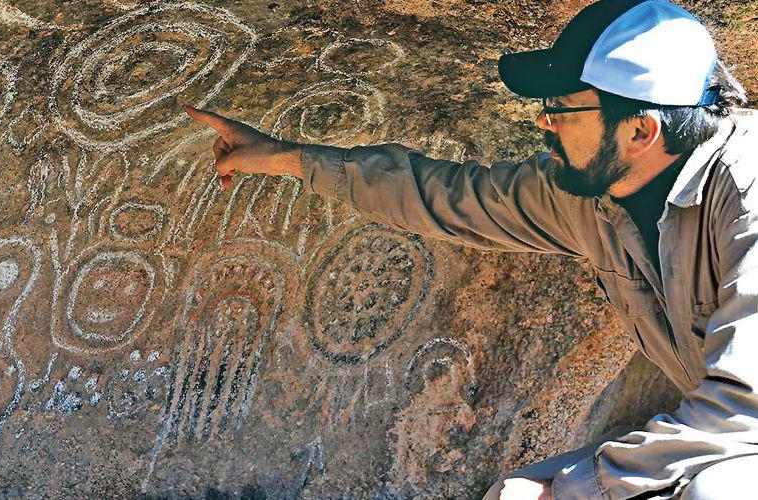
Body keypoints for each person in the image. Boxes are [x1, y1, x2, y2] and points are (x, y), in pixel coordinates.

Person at [185, 0, 757, 498]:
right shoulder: (594, 194)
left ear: (640, 131)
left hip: (735, 440)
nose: (543, 121)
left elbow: (743, 412)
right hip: (721, 435)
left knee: (714, 493)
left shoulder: (747, 193)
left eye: (562, 108)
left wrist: (574, 490)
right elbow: (450, 195)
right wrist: (291, 159)